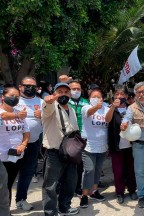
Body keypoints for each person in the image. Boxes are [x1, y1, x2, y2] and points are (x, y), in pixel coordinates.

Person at [42, 82, 80, 216]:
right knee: (50, 185)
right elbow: (47, 108)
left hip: (70, 151)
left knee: (70, 181)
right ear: (54, 93)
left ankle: (65, 207)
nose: (63, 94)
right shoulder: (51, 106)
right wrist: (49, 101)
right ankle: (50, 212)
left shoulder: (71, 108)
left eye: (66, 92)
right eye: (60, 91)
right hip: (55, 152)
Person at [121, 82, 144, 209]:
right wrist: (124, 124)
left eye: (143, 92)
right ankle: (142, 195)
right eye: (138, 92)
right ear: (136, 94)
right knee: (140, 173)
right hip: (140, 147)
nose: (141, 94)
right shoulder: (132, 108)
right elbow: (126, 119)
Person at [15, 76, 43, 211]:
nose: (30, 88)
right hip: (14, 144)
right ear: (20, 87)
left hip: (33, 143)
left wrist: (42, 116)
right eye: (27, 85)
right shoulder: (13, 101)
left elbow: (50, 121)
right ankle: (4, 203)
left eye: (33, 86)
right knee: (8, 175)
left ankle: (21, 199)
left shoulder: (41, 102)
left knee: (27, 173)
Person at [105, 85, 137, 204]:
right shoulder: (111, 109)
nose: (119, 96)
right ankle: (120, 192)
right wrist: (113, 107)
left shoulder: (131, 109)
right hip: (116, 146)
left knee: (131, 170)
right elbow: (107, 120)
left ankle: (132, 190)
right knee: (118, 171)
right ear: (113, 96)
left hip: (130, 146)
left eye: (122, 94)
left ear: (127, 96)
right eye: (117, 94)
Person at [0, 86, 30, 205]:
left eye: (17, 96)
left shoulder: (19, 113)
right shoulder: (14, 114)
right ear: (3, 97)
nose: (14, 98)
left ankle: (6, 210)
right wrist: (18, 116)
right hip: (1, 156)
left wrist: (23, 144)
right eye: (11, 96)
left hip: (15, 155)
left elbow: (26, 132)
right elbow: (2, 116)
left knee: (9, 183)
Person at [68, 80, 89, 196]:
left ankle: (77, 187)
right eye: (73, 89)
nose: (76, 91)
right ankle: (63, 186)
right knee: (67, 163)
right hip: (69, 137)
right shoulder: (66, 102)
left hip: (82, 138)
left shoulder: (85, 102)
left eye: (78, 89)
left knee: (80, 164)